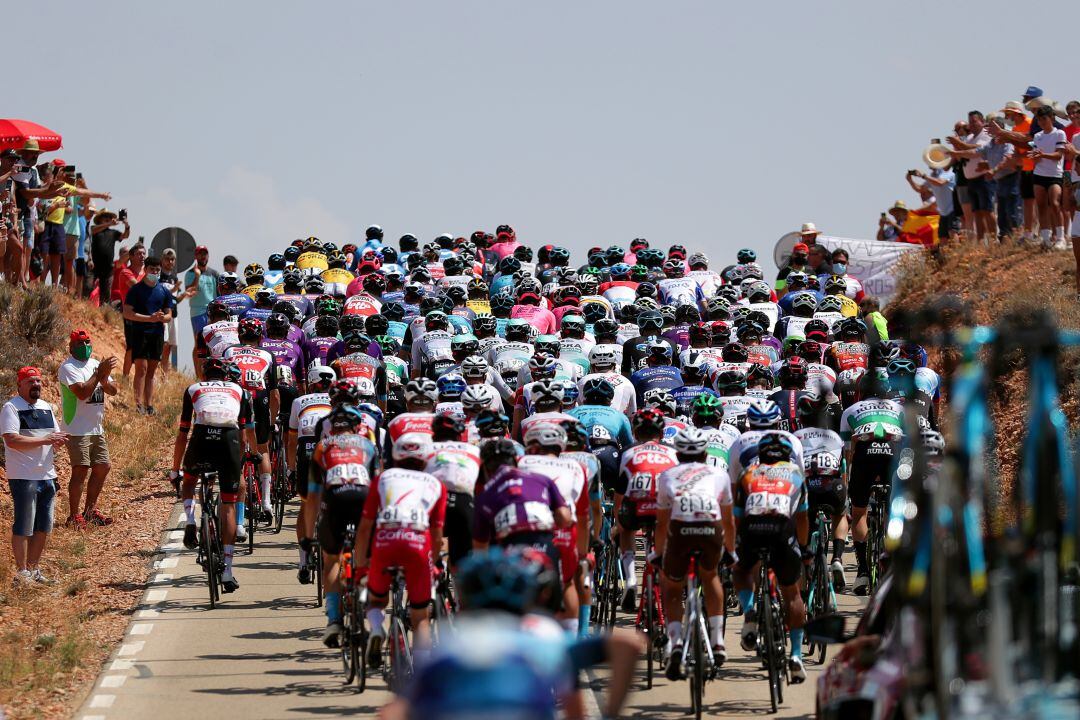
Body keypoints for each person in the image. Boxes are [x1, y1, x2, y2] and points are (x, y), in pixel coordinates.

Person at [172, 358, 256, 593]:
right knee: (228, 503)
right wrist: (238, 465)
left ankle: (190, 520)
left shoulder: (193, 389)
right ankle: (228, 570)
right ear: (226, 377)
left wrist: (174, 468)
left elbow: (182, 433)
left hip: (201, 438)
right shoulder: (240, 391)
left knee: (189, 480)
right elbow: (244, 434)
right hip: (229, 439)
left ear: (204, 376)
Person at [3, 366, 67, 587]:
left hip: (47, 475)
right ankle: (21, 574)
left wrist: (57, 442)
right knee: (24, 525)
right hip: (23, 476)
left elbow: (53, 439)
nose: (36, 385)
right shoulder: (11, 408)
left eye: (38, 381)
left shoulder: (46, 407)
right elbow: (12, 440)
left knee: (43, 525)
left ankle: (33, 569)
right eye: (30, 382)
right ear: (19, 385)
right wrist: (46, 440)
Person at [58, 330, 119, 529]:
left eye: (87, 342)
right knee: (80, 470)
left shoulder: (95, 364)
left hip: (96, 428)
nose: (84, 346)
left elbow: (113, 389)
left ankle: (90, 511)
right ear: (71, 347)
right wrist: (99, 374)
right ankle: (74, 515)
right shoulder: (68, 368)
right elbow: (83, 393)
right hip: (76, 429)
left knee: (103, 466)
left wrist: (103, 378)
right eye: (79, 343)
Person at [123, 255, 176, 415]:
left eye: (157, 270)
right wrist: (148, 318)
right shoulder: (136, 290)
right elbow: (127, 313)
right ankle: (138, 404)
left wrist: (161, 318)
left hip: (157, 334)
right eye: (152, 269)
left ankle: (149, 405)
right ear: (145, 270)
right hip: (140, 333)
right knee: (141, 369)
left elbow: (169, 315)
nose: (155, 272)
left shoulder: (164, 291)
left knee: (152, 371)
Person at [1030, 104, 1068, 248]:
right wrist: (1035, 157)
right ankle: (1045, 238)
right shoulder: (1037, 136)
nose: (1041, 122)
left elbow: (1059, 155)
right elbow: (1036, 155)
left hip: (1055, 174)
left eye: (1044, 119)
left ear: (1051, 117)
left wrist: (1043, 154)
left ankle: (1060, 238)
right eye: (1039, 120)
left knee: (1055, 203)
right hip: (1039, 173)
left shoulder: (1059, 133)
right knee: (1041, 205)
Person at [184, 245, 222, 370]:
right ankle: (198, 373)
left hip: (212, 312)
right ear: (196, 256)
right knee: (199, 342)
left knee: (213, 341)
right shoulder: (190, 273)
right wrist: (197, 276)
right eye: (200, 254)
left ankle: (211, 369)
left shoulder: (214, 273)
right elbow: (189, 291)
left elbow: (218, 293)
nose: (203, 256)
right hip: (197, 311)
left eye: (205, 253)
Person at [88, 209, 129, 307]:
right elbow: (92, 231)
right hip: (93, 265)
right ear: (100, 219)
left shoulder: (113, 232)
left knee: (105, 293)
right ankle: (85, 307)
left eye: (109, 217)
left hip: (108, 268)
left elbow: (125, 236)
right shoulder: (95, 229)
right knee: (88, 286)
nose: (108, 219)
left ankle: (104, 313)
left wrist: (126, 225)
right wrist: (109, 223)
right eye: (105, 217)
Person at [158, 248, 187, 373]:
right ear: (162, 260)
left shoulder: (174, 278)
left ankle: (165, 374)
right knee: (163, 343)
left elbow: (176, 299)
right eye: (167, 259)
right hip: (162, 314)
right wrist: (173, 289)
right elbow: (159, 295)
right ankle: (157, 371)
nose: (170, 262)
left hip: (174, 314)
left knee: (170, 345)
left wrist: (185, 294)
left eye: (172, 259)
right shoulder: (158, 276)